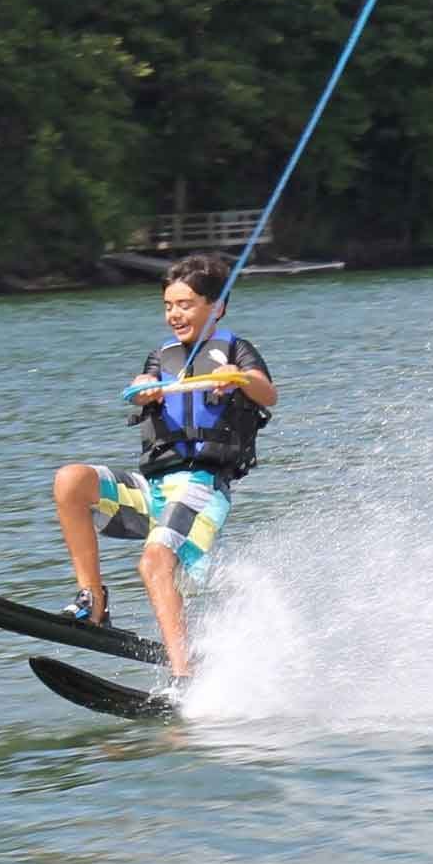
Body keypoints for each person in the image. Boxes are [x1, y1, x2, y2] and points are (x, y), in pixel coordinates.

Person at [52, 253, 278, 690]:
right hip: (153, 489)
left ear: (217, 307)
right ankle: (93, 600)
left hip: (202, 488)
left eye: (186, 304)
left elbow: (269, 395)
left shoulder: (235, 351)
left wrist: (237, 378)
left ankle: (184, 674)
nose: (175, 313)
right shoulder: (163, 356)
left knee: (154, 562)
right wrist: (143, 390)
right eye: (169, 305)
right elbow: (139, 387)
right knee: (71, 480)